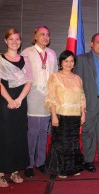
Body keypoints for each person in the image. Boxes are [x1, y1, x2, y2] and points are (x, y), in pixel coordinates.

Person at [0, 28, 33, 187]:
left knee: (18, 134)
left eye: (17, 39)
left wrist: (19, 100)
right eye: (11, 39)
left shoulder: (25, 59)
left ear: (20, 41)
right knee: (5, 135)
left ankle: (15, 170)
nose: (15, 42)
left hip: (21, 100)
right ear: (5, 41)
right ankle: (0, 173)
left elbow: (29, 81)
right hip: (4, 100)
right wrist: (10, 100)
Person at [21, 26, 58, 177]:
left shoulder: (52, 53)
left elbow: (55, 76)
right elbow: (22, 76)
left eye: (48, 35)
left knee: (44, 131)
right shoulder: (27, 52)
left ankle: (41, 162)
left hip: (48, 95)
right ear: (35, 36)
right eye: (42, 34)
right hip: (33, 94)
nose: (45, 37)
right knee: (32, 132)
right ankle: (28, 164)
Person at [74, 33, 99, 172]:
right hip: (90, 102)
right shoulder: (82, 59)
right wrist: (80, 105)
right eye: (98, 42)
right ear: (91, 44)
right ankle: (88, 160)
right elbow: (77, 84)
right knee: (88, 132)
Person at [44, 50, 86, 178]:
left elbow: (82, 97)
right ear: (61, 62)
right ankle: (61, 169)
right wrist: (54, 116)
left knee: (73, 143)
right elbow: (51, 98)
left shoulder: (78, 78)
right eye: (66, 60)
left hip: (75, 115)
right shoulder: (55, 77)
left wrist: (83, 113)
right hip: (61, 115)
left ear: (74, 63)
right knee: (61, 144)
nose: (69, 63)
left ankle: (73, 168)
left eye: (71, 61)